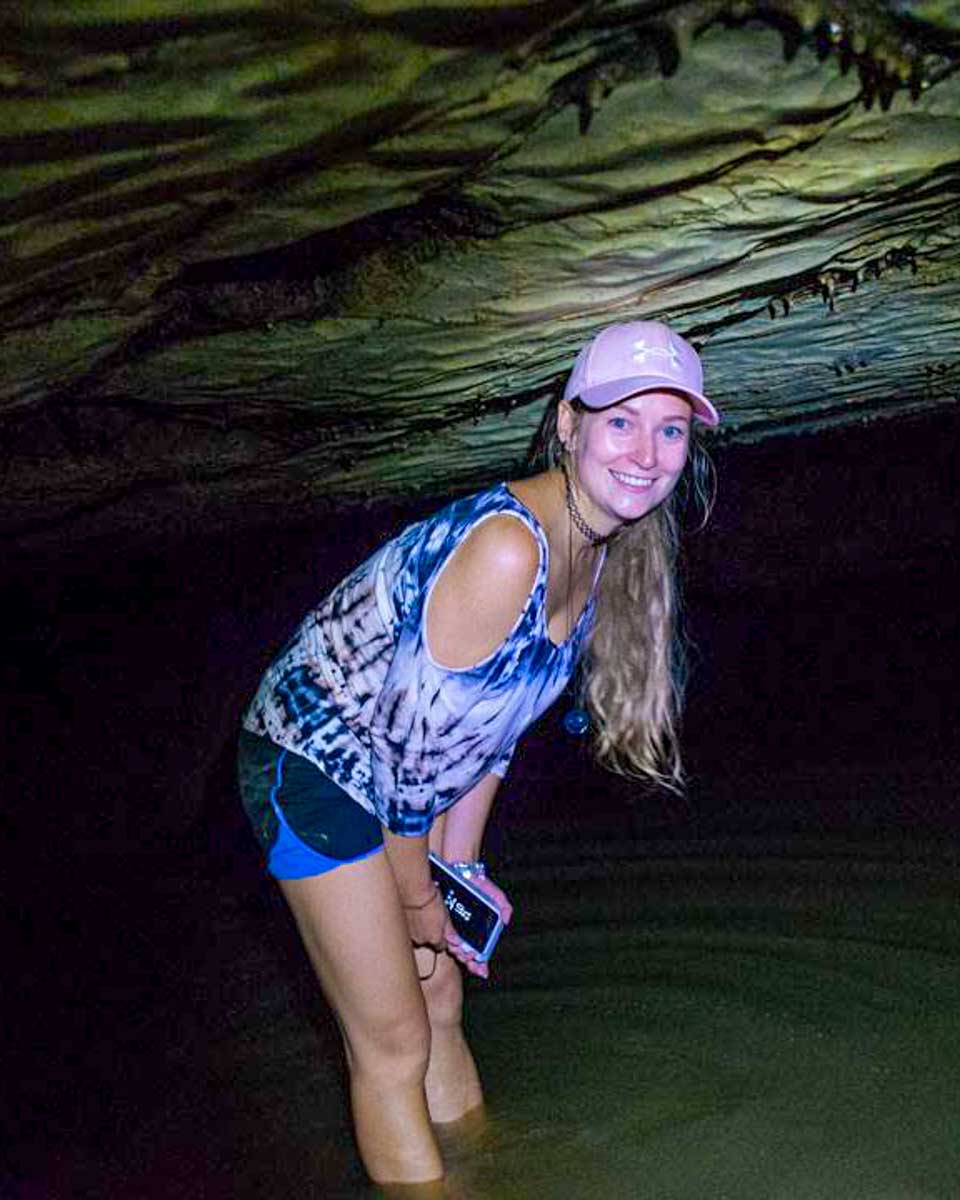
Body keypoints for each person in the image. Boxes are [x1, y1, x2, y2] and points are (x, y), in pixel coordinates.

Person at [236, 319, 720, 1188]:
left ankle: (487, 1169)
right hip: (312, 759)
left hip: (398, 771)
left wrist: (460, 867)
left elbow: (491, 734)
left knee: (441, 995)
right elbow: (405, 760)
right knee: (392, 1037)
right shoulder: (508, 549)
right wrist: (421, 894)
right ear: (568, 424)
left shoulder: (602, 555)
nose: (648, 452)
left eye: (672, 429)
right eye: (622, 421)